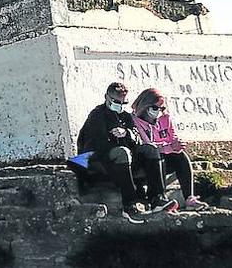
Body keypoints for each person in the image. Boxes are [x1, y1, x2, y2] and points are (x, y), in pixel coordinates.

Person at [76, 82, 178, 221]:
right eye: (116, 102)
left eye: (123, 103)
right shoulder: (97, 115)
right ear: (106, 97)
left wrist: (126, 133)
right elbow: (93, 143)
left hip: (125, 156)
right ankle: (130, 204)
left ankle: (157, 198)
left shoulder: (125, 116)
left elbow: (136, 139)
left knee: (150, 149)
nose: (120, 106)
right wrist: (112, 136)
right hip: (98, 157)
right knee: (122, 152)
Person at [131, 88, 209, 211]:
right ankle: (158, 198)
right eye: (155, 108)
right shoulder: (135, 121)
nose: (159, 112)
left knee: (180, 156)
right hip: (145, 161)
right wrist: (168, 147)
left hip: (163, 154)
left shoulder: (165, 119)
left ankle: (190, 198)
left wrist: (176, 145)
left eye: (162, 109)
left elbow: (172, 137)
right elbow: (148, 146)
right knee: (157, 156)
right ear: (145, 106)